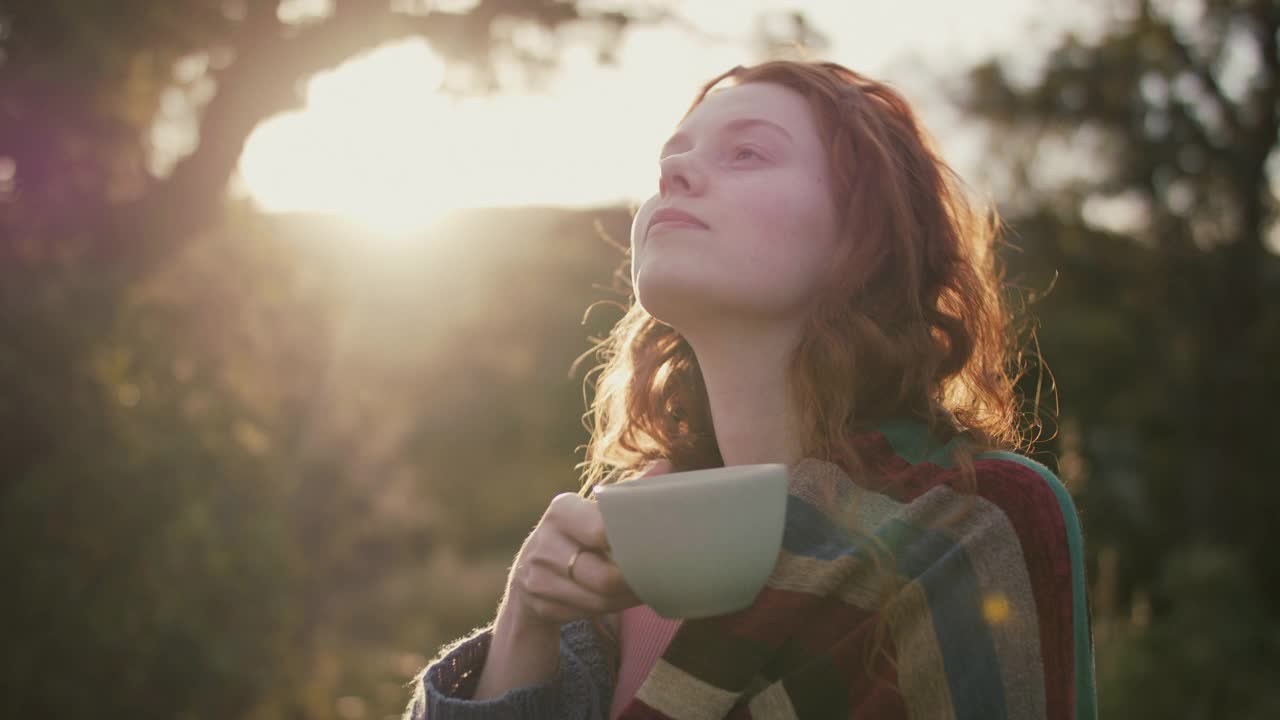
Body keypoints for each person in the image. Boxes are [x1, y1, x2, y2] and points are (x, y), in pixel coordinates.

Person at [403, 59, 1098, 719]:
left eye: (747, 154)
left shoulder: (971, 521)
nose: (674, 170)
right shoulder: (623, 535)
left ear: (866, 236)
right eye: (670, 158)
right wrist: (525, 618)